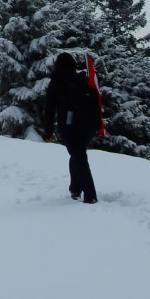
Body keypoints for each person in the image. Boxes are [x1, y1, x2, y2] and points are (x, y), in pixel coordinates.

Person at [44, 52, 99, 204]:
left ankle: (90, 195)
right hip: (87, 125)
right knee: (77, 154)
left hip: (69, 126)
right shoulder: (82, 79)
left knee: (79, 156)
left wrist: (48, 131)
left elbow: (49, 109)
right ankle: (75, 189)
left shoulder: (56, 82)